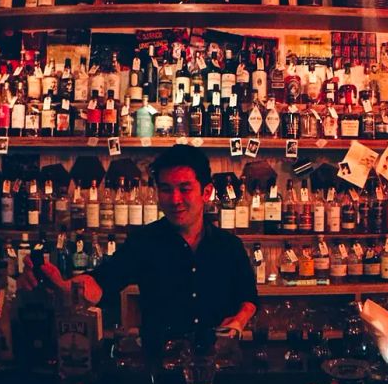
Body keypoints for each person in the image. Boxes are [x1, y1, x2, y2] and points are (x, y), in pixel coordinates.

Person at [19, 145, 257, 358]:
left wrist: (239, 320)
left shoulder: (229, 246)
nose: (174, 199)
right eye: (165, 189)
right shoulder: (144, 241)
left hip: (216, 364)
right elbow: (102, 282)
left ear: (206, 192)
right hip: (161, 367)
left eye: (184, 189)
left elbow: (248, 296)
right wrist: (65, 287)